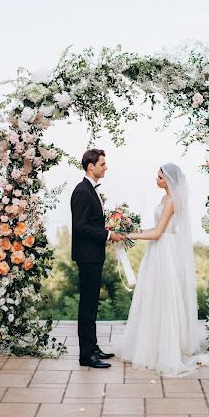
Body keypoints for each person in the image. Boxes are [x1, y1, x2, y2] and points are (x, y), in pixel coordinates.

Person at [114, 163, 206, 377]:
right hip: (158, 251)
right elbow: (156, 230)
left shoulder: (172, 201)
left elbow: (157, 234)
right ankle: (152, 343)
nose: (156, 180)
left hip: (164, 252)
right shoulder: (165, 198)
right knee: (153, 296)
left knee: (165, 296)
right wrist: (131, 230)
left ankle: (165, 349)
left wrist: (129, 236)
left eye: (160, 177)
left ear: (170, 181)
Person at [71, 148, 125, 368]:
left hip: (94, 255)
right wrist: (109, 234)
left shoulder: (90, 190)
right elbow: (81, 227)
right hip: (87, 256)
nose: (106, 167)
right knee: (87, 306)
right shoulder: (82, 191)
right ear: (90, 166)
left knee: (92, 304)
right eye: (102, 164)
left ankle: (92, 347)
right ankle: (86, 356)